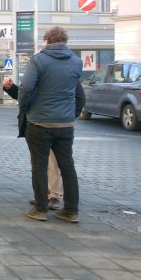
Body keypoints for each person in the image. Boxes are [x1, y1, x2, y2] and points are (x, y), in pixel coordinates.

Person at [16, 26, 83, 223]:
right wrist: (72, 113)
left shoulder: (38, 60)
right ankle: (71, 211)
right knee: (67, 166)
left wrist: (26, 108)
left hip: (40, 122)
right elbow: (78, 93)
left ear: (47, 40)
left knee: (39, 166)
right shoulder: (76, 62)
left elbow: (26, 88)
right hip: (65, 124)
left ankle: (40, 209)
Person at [2, 77, 84, 210]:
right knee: (38, 163)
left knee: (54, 163)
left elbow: (79, 98)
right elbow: (26, 96)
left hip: (54, 125)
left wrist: (69, 116)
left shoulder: (65, 73)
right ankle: (42, 195)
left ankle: (54, 196)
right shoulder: (37, 74)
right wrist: (12, 89)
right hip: (35, 124)